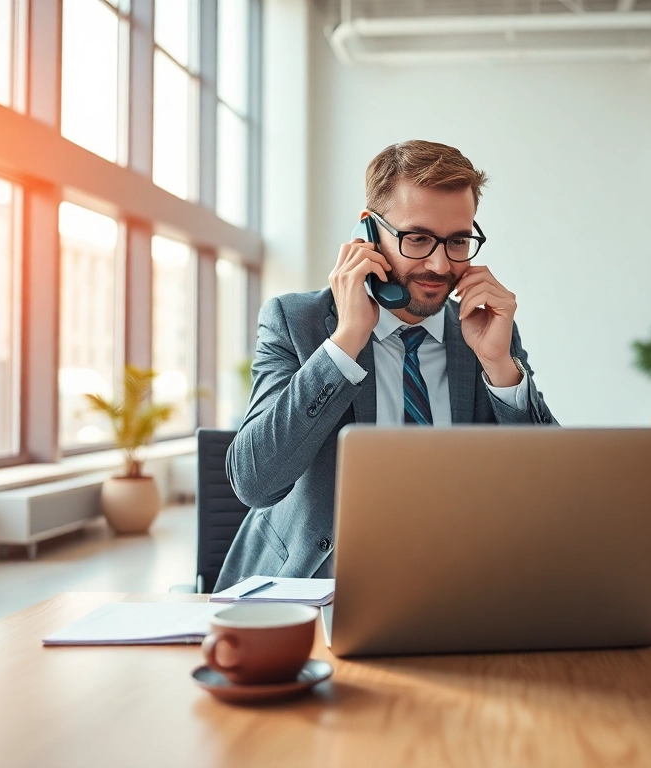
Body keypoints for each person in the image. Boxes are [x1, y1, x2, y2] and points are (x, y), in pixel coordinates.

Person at [217, 140, 557, 589]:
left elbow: (551, 496)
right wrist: (345, 343)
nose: (440, 263)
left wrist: (500, 366)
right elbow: (254, 482)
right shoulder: (296, 322)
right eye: (416, 238)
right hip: (318, 590)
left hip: (457, 585)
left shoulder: (488, 331)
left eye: (458, 241)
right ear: (371, 234)